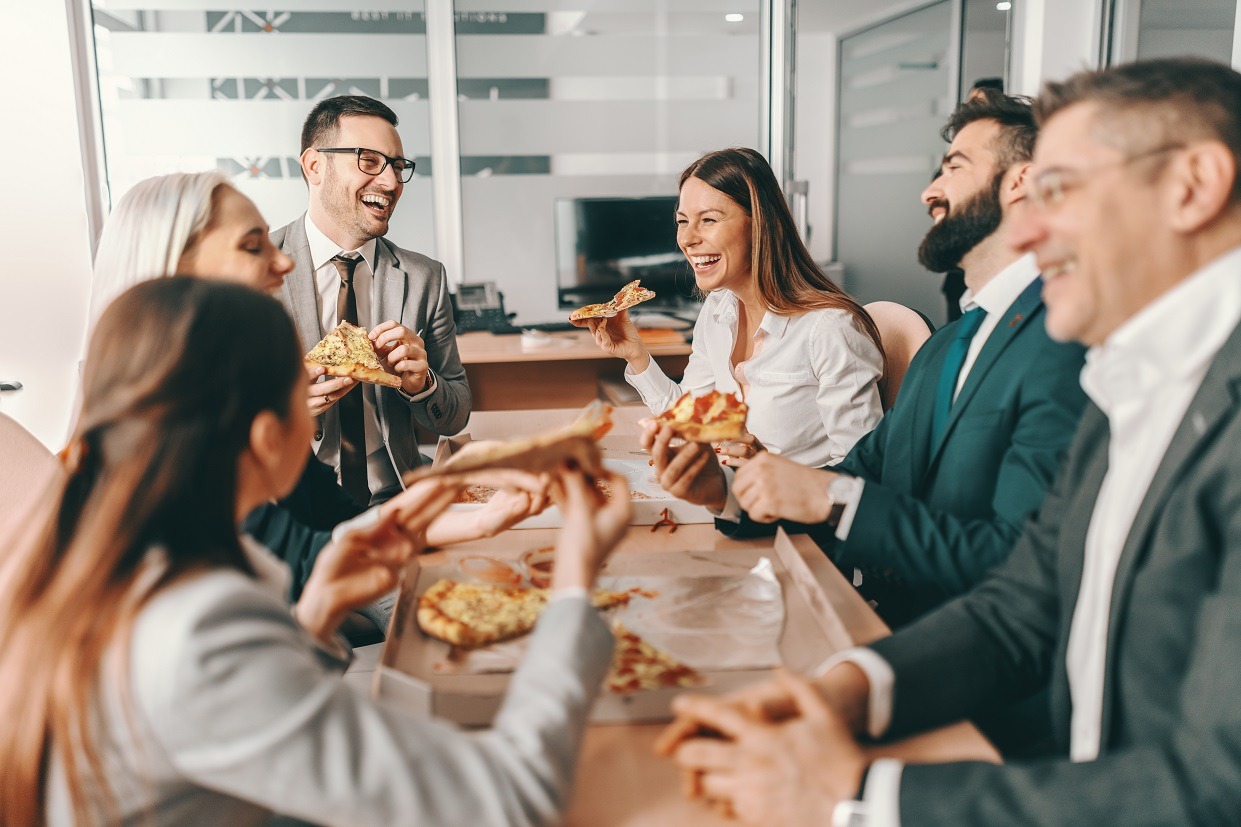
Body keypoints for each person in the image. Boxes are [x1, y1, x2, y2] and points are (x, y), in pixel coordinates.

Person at [659, 57, 1241, 825]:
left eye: (1057, 191)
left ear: (1192, 185)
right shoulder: (1130, 376)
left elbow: (1214, 788)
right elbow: (1024, 605)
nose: (1026, 228)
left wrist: (861, 795)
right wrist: (843, 690)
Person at [2, 276, 631, 825]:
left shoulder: (109, 555)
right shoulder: (200, 626)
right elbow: (508, 802)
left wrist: (317, 612)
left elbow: (231, 730)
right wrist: (576, 581)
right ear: (270, 435)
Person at [648, 91, 1088, 631]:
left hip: (946, 636)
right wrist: (725, 494)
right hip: (881, 616)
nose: (931, 190)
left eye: (955, 166)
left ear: (1021, 180)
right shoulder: (948, 346)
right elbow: (862, 474)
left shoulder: (1063, 348)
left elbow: (1016, 566)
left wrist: (829, 498)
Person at [88, 172, 541, 618]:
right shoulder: (168, 454)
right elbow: (299, 569)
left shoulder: (233, 396)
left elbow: (334, 525)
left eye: (398, 164)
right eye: (252, 247)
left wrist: (478, 515)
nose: (283, 262)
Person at [578, 147, 884, 468]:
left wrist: (770, 471)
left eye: (708, 220)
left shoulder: (829, 328)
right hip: (731, 501)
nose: (687, 239)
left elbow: (864, 477)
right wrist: (636, 355)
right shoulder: (717, 309)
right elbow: (691, 423)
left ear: (759, 224)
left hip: (794, 515)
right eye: (682, 221)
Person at [274, 94, 470, 508]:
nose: (391, 182)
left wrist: (423, 384)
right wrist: (281, 411)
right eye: (369, 160)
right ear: (315, 166)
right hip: (287, 503)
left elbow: (455, 415)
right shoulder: (254, 272)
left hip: (395, 499)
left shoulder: (424, 278)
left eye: (398, 166)